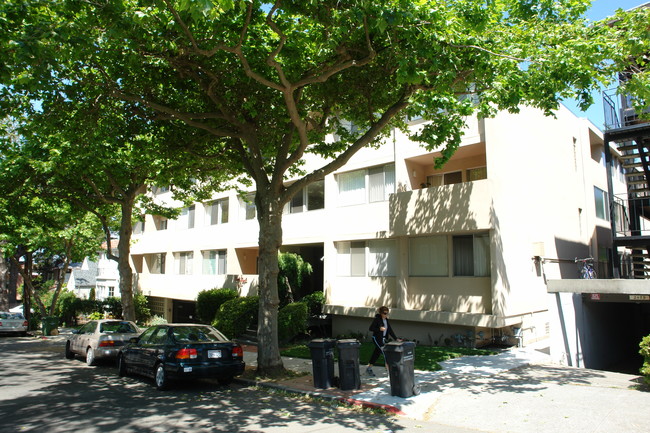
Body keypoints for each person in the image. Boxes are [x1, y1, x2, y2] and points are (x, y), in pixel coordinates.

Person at [366, 306, 399, 377]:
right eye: (384, 313)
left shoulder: (386, 320)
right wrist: (379, 329)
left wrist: (396, 338)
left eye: (387, 313)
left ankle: (369, 368)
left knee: (376, 353)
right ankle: (389, 372)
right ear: (381, 313)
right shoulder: (377, 319)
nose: (386, 314)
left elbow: (389, 330)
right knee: (385, 353)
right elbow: (371, 328)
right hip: (376, 338)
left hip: (383, 339)